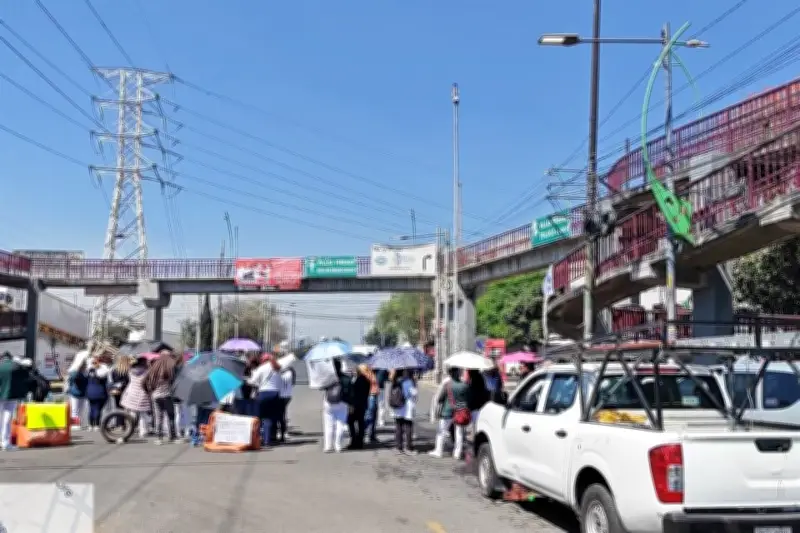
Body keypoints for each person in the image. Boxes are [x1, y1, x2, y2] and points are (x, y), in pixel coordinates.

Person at [429, 367, 468, 459]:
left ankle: (438, 451)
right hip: (460, 411)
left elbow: (440, 399)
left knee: (441, 431)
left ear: (450, 374)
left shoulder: (447, 384)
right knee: (459, 433)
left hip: (447, 411)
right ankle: (457, 453)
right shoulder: (464, 385)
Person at [143, 350, 178, 444]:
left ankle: (159, 437)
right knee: (171, 415)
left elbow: (144, 381)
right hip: (167, 395)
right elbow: (174, 381)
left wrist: (149, 391)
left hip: (155, 395)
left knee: (158, 416)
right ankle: (172, 436)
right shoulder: (170, 368)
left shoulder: (154, 368)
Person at [248, 353, 282, 447]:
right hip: (275, 394)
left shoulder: (261, 368)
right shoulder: (277, 368)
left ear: (263, 360)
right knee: (270, 417)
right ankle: (268, 440)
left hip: (264, 393)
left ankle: (259, 439)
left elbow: (252, 381)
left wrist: (246, 380)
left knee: (260, 417)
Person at [0, 352, 30, 451]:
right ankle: (6, 443)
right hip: (12, 395)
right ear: (10, 357)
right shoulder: (16, 366)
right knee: (7, 419)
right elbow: (26, 377)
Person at [322, 359, 351, 453]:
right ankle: (338, 445)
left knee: (328, 425)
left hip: (329, 402)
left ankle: (328, 446)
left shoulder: (329, 377)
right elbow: (351, 392)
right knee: (341, 424)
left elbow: (321, 387)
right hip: (342, 402)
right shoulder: (346, 378)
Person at [120, 355, 152, 438]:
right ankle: (143, 431)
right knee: (143, 414)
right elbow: (148, 384)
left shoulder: (131, 371)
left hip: (131, 393)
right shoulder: (146, 372)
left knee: (132, 413)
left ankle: (130, 429)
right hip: (142, 394)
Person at [390, 369, 418, 455]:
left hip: (398, 407)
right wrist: (415, 384)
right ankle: (408, 447)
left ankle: (399, 447)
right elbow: (414, 394)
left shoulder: (395, 381)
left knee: (398, 426)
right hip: (407, 407)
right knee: (408, 427)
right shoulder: (409, 381)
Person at [347, 364, 371, 450]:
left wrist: (352, 404)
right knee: (360, 422)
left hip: (356, 404)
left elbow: (354, 393)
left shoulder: (358, 380)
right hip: (362, 404)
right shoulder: (365, 380)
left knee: (351, 422)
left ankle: (355, 441)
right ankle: (358, 441)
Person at [85, 359, 110, 432]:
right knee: (98, 409)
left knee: (91, 409)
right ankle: (96, 424)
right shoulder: (103, 371)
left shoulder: (89, 371)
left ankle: (90, 425)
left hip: (90, 392)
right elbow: (106, 377)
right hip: (100, 392)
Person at [66, 357, 89, 431]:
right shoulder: (75, 372)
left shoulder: (86, 372)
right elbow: (72, 379)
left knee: (80, 410)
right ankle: (75, 424)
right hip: (75, 393)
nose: (84, 366)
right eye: (83, 364)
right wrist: (77, 370)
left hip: (82, 393)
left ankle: (78, 423)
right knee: (75, 409)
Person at [362, 364, 381, 444]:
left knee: (374, 415)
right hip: (370, 395)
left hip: (374, 394)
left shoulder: (374, 370)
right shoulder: (364, 367)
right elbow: (366, 381)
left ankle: (372, 435)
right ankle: (362, 433)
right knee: (369, 415)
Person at [277, 365, 295, 442]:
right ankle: (284, 432)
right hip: (288, 395)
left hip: (281, 395)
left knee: (280, 415)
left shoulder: (282, 373)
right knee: (283, 414)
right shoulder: (291, 372)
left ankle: (282, 432)